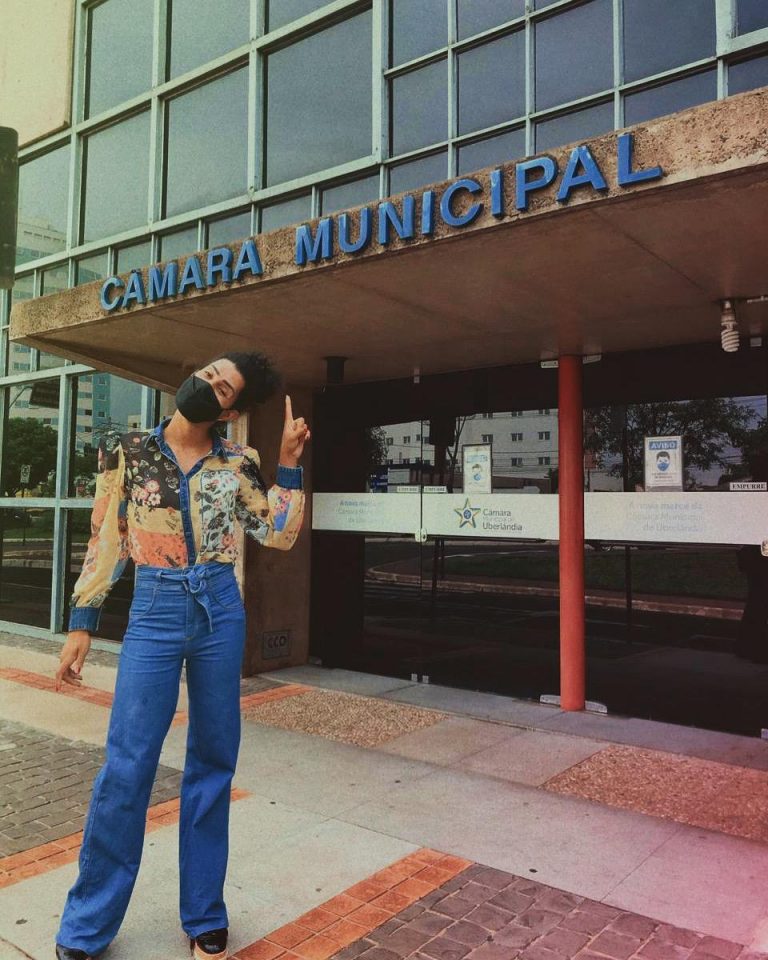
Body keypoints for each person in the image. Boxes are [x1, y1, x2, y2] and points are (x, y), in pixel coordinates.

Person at [53, 351, 310, 960]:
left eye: (225, 389)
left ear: (233, 411)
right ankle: (87, 925)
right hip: (155, 609)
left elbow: (275, 532)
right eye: (210, 374)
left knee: (213, 763)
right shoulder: (129, 451)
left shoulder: (238, 461)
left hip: (220, 607)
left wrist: (290, 465)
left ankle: (204, 915)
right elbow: (106, 536)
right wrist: (83, 620)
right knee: (128, 764)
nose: (209, 385)